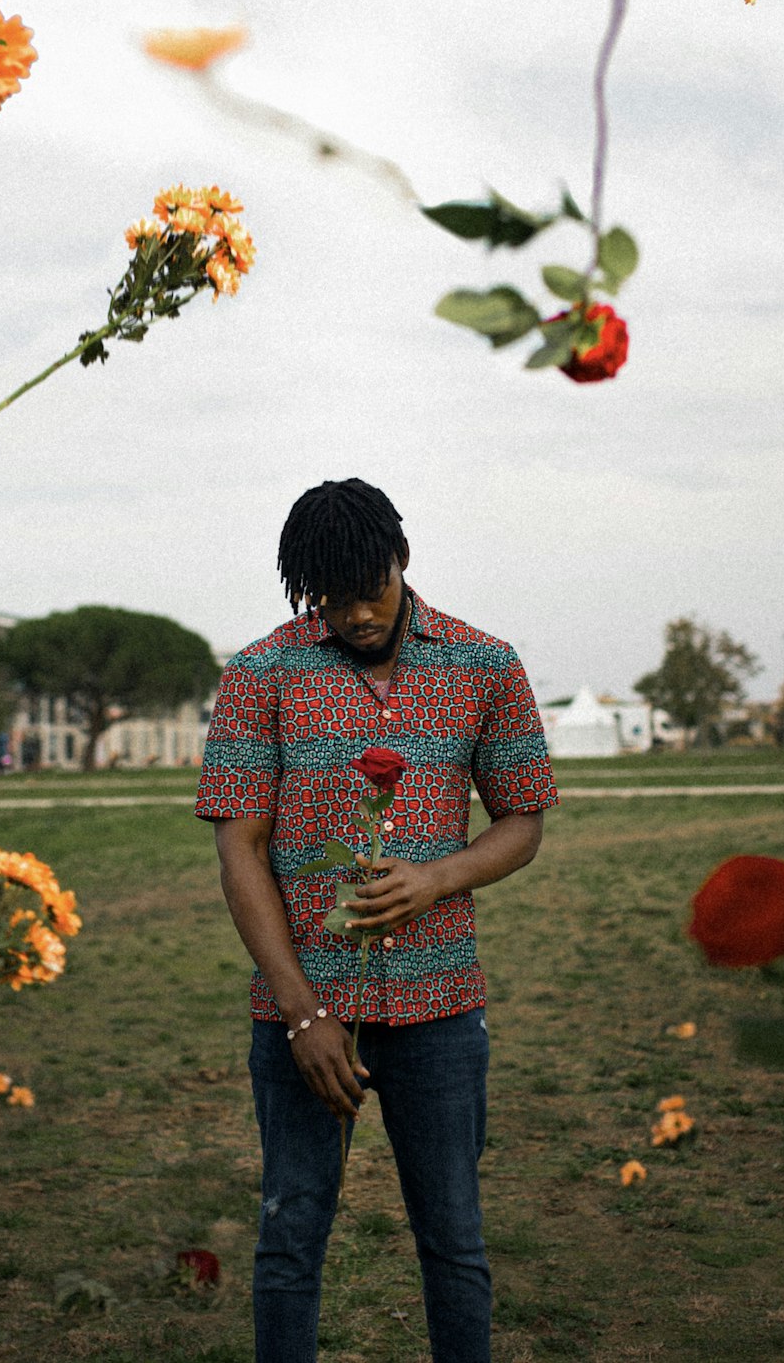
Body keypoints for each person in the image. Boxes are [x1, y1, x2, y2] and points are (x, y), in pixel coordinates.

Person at [194, 478, 558, 1363]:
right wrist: (303, 1014)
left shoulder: (486, 665)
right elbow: (240, 850)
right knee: (289, 1243)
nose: (353, 612)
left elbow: (525, 820)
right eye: (328, 595)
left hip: (442, 1008)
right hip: (302, 1016)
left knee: (455, 1244)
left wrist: (438, 878)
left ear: (403, 560)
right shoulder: (258, 674)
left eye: (370, 589)